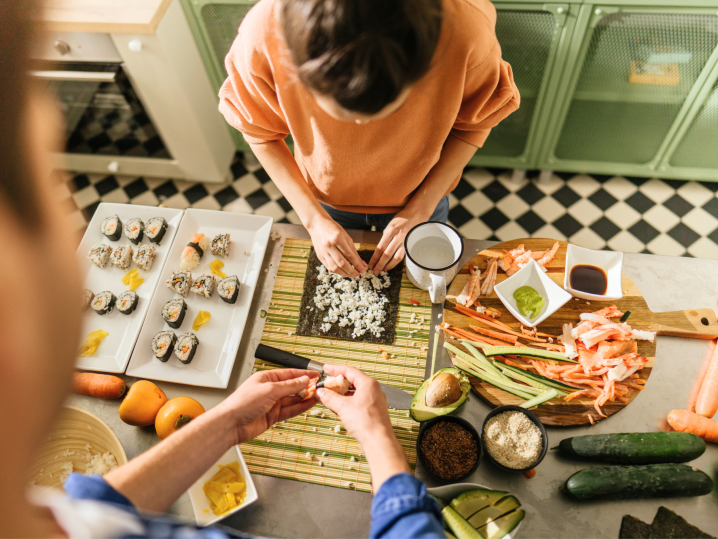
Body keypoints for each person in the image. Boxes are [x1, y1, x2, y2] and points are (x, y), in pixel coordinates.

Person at [0, 3, 445, 538]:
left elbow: (92, 513)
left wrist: (228, 423)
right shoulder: (264, 35)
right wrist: (378, 435)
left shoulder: (46, 515)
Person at [219, 0, 519, 278]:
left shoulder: (467, 30)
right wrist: (312, 219)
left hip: (423, 194)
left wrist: (421, 209)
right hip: (326, 200)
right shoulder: (264, 33)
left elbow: (474, 125)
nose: (363, 124)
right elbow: (258, 131)